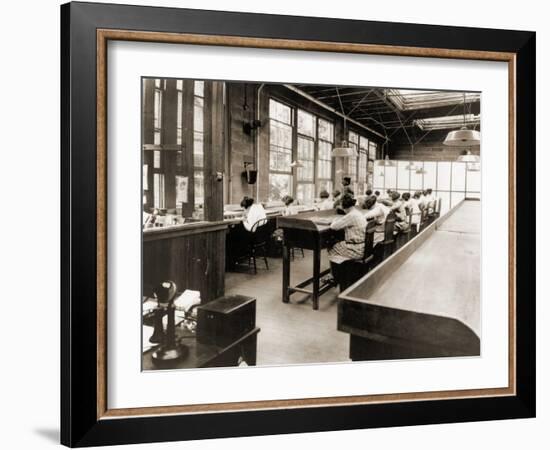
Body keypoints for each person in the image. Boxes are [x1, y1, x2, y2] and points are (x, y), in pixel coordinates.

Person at [327, 194, 367, 264]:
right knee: (339, 242)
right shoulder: (357, 213)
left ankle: (338, 271)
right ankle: (344, 268)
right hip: (363, 247)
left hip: (356, 250)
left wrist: (334, 220)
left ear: (343, 206)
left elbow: (333, 226)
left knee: (331, 247)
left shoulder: (351, 215)